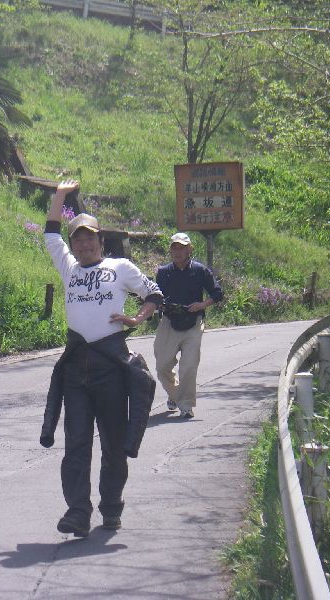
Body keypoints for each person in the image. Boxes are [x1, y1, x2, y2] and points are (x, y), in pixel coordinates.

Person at [40, 180, 163, 537]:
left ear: (100, 241)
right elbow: (51, 235)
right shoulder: (69, 268)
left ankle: (111, 506)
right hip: (76, 369)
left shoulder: (120, 267)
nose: (84, 244)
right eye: (78, 239)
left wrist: (137, 318)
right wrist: (60, 195)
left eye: (89, 238)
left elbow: (154, 294)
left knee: (113, 444)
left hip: (111, 367)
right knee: (76, 443)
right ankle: (78, 511)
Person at [153, 232, 223, 419]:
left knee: (189, 366)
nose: (178, 251)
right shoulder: (163, 272)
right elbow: (156, 296)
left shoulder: (200, 270)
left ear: (189, 250)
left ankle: (186, 405)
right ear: (170, 250)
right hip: (169, 321)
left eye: (182, 248)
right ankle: (175, 394)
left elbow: (217, 293)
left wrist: (202, 304)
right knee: (162, 366)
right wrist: (160, 305)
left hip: (194, 322)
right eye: (174, 247)